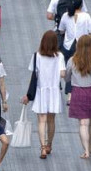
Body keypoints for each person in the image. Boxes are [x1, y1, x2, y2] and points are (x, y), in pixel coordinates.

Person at [21, 30, 66, 159]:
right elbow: (63, 74)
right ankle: (49, 144)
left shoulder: (37, 56)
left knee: (41, 120)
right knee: (51, 120)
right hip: (54, 91)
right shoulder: (60, 56)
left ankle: (42, 148)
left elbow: (33, 74)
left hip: (41, 91)